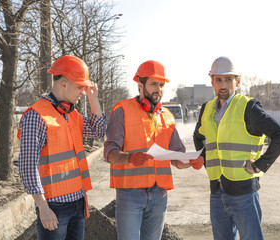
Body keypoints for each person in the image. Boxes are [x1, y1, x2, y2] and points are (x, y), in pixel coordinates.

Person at [104, 60, 204, 240]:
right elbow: (109, 151)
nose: (158, 88)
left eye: (161, 84)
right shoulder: (122, 111)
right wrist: (129, 157)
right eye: (153, 84)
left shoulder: (167, 116)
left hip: (159, 195)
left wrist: (191, 162)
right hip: (130, 194)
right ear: (140, 85)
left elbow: (177, 156)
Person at [193, 56, 280, 240]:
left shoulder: (248, 107)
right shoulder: (206, 109)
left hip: (244, 194)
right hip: (216, 191)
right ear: (212, 82)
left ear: (238, 81)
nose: (223, 85)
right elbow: (198, 136)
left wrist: (261, 165)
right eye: (218, 79)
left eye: (228, 79)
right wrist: (205, 159)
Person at [18, 55, 106, 240]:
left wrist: (93, 99)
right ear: (63, 84)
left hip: (77, 202)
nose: (83, 91)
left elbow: (98, 131)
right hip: (54, 207)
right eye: (80, 86)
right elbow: (27, 167)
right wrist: (42, 207)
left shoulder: (71, 114)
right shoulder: (36, 117)